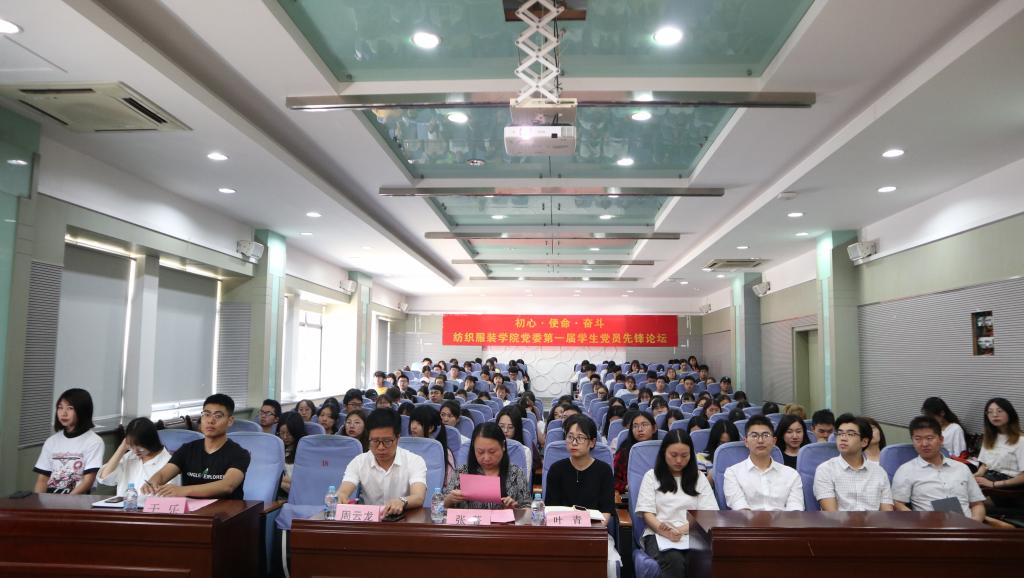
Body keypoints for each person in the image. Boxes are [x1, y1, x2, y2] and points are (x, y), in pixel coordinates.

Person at [636, 429, 719, 578]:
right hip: (658, 534)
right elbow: (647, 513)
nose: (679, 461)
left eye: (684, 455)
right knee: (674, 559)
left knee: (701, 559)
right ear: (664, 453)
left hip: (692, 534)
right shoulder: (651, 476)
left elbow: (708, 514)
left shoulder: (699, 478)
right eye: (673, 455)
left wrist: (679, 531)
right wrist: (665, 532)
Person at [545, 415, 619, 578]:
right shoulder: (556, 470)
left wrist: (588, 532)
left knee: (610, 564)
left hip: (594, 533)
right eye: (570, 437)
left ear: (592, 442)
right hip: (562, 534)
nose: (574, 442)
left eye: (580, 438)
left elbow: (606, 512)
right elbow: (551, 510)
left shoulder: (604, 471)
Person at [143, 394, 250, 499]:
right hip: (191, 509)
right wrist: (152, 483)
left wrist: (182, 490)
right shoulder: (187, 450)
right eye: (206, 414)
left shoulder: (239, 454)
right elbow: (163, 474)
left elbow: (227, 486)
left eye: (218, 416)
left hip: (226, 509)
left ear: (230, 421)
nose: (210, 420)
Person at [893, 416, 985, 521]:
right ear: (912, 441)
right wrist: (918, 522)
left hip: (967, 526)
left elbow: (977, 503)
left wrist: (974, 524)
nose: (924, 444)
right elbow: (898, 504)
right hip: (929, 527)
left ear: (941, 439)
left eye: (929, 438)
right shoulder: (906, 470)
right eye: (918, 439)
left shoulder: (962, 468)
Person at [336, 409, 426, 515]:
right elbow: (344, 489)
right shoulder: (359, 462)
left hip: (403, 518)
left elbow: (418, 497)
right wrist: (341, 496)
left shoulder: (414, 461)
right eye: (375, 441)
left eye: (387, 441)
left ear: (398, 438)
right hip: (370, 519)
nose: (381, 447)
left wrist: (402, 501)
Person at [813, 414, 893, 511]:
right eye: (840, 433)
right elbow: (831, 513)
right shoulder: (826, 470)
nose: (843, 438)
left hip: (873, 520)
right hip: (839, 521)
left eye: (850, 434)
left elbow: (887, 513)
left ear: (864, 442)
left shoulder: (880, 472)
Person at [723, 415, 803, 511]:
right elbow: (740, 508)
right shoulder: (733, 473)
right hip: (747, 520)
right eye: (754, 436)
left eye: (766, 435)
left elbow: (795, 510)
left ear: (774, 441)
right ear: (746, 441)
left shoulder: (791, 474)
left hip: (783, 520)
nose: (760, 440)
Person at [443, 422, 530, 510]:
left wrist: (514, 509)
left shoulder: (516, 473)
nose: (486, 458)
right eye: (480, 452)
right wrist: (449, 500)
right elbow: (441, 507)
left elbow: (527, 508)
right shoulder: (462, 472)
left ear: (503, 446)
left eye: (492, 452)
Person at [33, 388, 105, 494]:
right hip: (49, 498)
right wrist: (38, 500)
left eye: (70, 408)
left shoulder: (94, 441)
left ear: (82, 411)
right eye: (60, 408)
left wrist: (66, 500)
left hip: (77, 498)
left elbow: (88, 481)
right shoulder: (51, 441)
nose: (63, 413)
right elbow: (42, 480)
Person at [98, 417, 176, 496]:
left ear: (151, 441)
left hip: (149, 504)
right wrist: (121, 448)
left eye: (140, 447)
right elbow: (104, 477)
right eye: (131, 446)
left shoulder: (168, 462)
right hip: (124, 503)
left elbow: (170, 496)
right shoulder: (130, 456)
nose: (135, 451)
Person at [975, 397, 1024, 490]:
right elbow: (985, 465)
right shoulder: (989, 437)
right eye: (990, 412)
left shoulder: (1021, 440)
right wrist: (975, 476)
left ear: (1010, 414)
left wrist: (993, 484)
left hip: (1010, 486)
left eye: (999, 411)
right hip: (989, 478)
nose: (994, 415)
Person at [409, 405, 455, 486]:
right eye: (412, 422)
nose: (413, 427)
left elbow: (451, 485)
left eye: (419, 423)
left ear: (430, 428)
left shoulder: (443, 452)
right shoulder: (406, 447)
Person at [614, 412, 657, 494]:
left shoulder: (664, 450)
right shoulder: (624, 452)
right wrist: (626, 487)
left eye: (644, 425)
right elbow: (613, 479)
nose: (640, 429)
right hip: (632, 495)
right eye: (635, 426)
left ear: (654, 428)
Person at [277, 412, 306, 498]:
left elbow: (301, 484)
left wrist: (277, 480)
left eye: (289, 433)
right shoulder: (276, 447)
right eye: (282, 433)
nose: (285, 437)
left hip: (296, 494)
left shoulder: (305, 450)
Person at [496, 406, 532, 473]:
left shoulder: (524, 451)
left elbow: (523, 479)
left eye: (510, 427)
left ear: (517, 429)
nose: (505, 430)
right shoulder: (490, 447)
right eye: (501, 426)